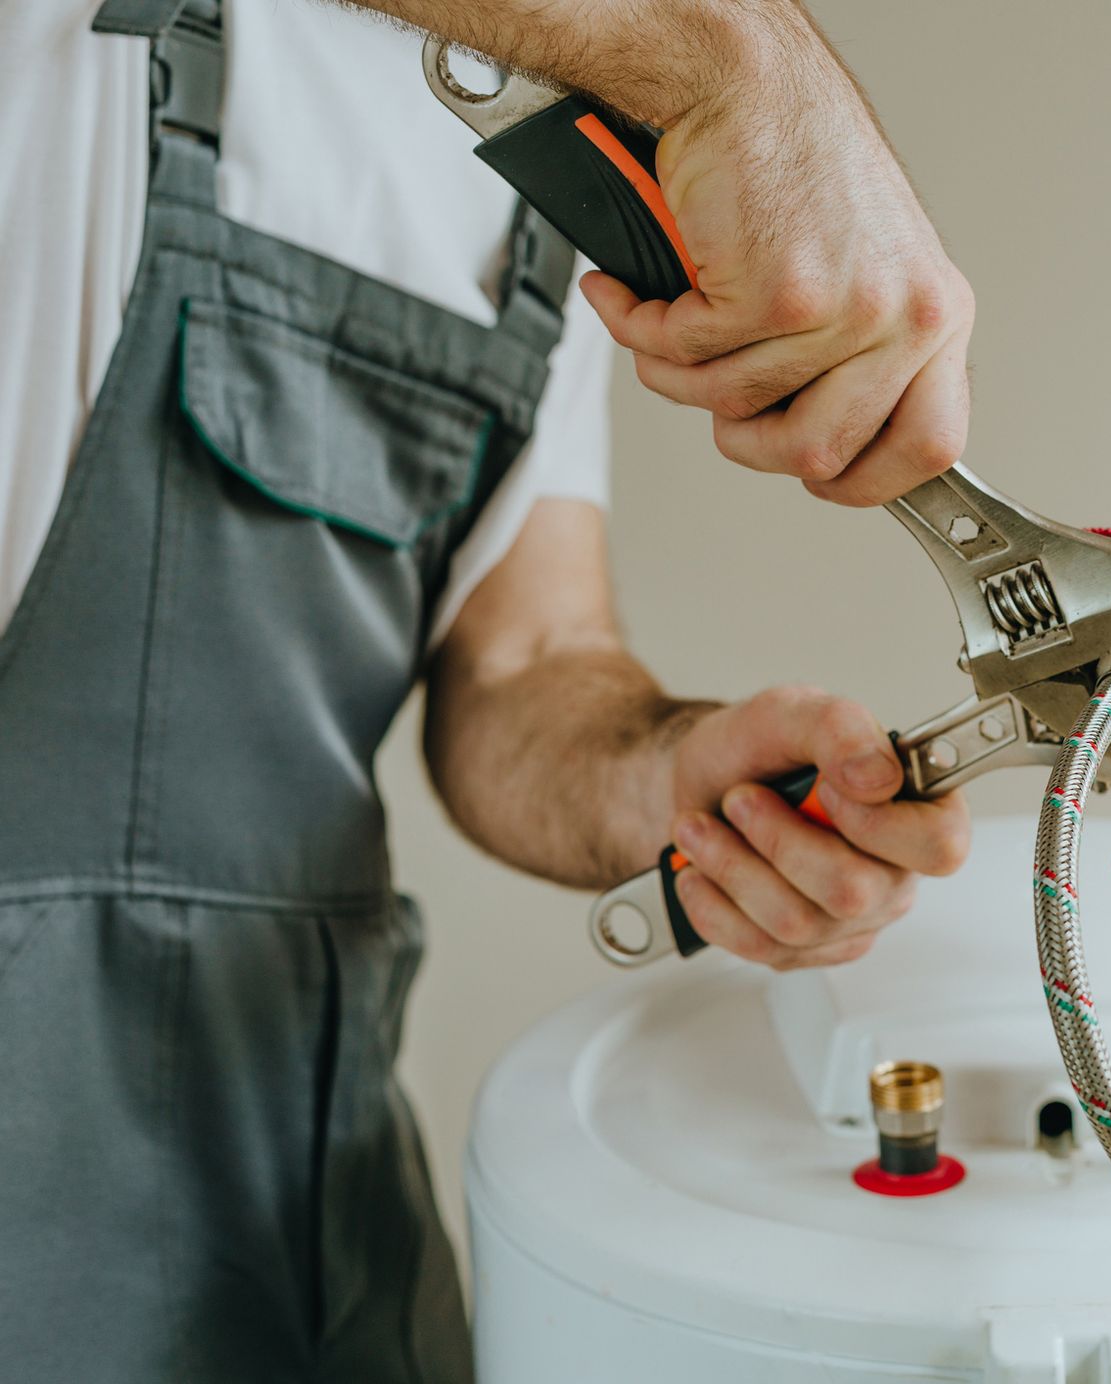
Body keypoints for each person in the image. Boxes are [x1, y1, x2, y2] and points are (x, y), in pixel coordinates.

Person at [0, 0, 973, 1378]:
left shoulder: (547, 162)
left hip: (296, 1242)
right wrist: (743, 65)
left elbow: (523, 663)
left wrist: (676, 783)